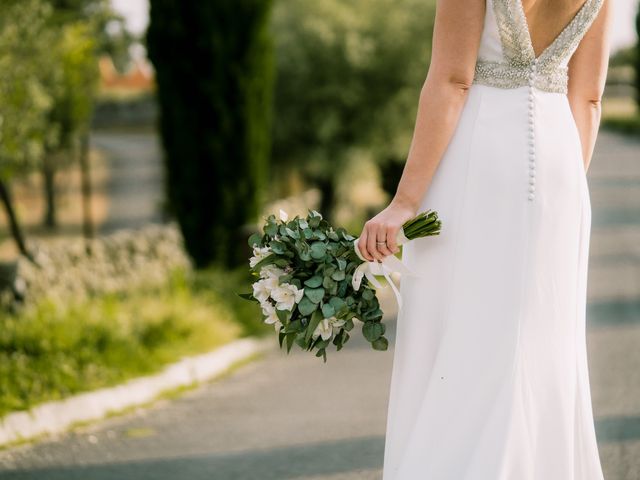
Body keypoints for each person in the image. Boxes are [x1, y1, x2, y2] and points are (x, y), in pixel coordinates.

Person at [356, 0, 612, 478]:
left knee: (457, 330)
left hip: (480, 158)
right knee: (541, 337)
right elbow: (589, 98)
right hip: (562, 164)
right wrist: (564, 191)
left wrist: (404, 203)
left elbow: (453, 81)